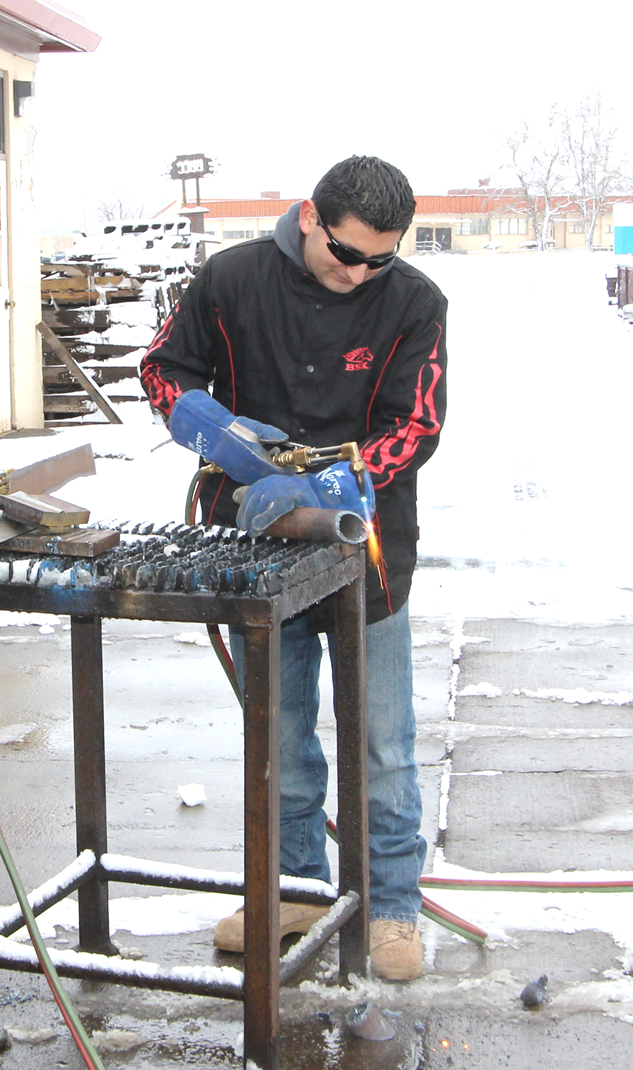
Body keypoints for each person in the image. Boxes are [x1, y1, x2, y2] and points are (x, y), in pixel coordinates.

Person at [139, 156, 447, 981]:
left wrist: (337, 480)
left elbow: (416, 423)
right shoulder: (231, 280)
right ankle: (298, 889)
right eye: (348, 253)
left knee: (382, 741)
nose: (361, 273)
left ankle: (392, 906)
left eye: (380, 258)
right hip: (250, 541)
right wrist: (202, 423)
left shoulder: (415, 301)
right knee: (279, 737)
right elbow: (160, 367)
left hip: (366, 545)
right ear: (310, 216)